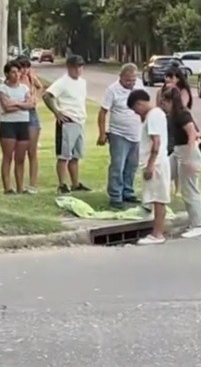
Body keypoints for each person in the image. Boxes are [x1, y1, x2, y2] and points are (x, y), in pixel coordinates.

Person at [161, 87, 201, 238]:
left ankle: (199, 225)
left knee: (190, 190)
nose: (163, 105)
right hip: (177, 152)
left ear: (171, 101)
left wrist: (188, 157)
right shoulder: (172, 115)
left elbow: (192, 134)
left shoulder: (182, 114)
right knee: (164, 174)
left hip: (188, 152)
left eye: (165, 102)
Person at [98, 63, 145, 209]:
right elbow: (102, 112)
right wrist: (102, 133)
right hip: (118, 133)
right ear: (120, 77)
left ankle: (128, 192)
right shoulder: (112, 90)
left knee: (132, 165)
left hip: (135, 133)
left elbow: (144, 105)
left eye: (133, 80)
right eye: (127, 80)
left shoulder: (139, 85)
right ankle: (115, 195)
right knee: (117, 165)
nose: (131, 83)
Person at [42, 55, 91, 194]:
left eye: (80, 66)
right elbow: (47, 96)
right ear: (69, 67)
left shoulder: (82, 82)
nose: (78, 69)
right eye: (75, 66)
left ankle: (75, 183)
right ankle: (62, 184)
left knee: (76, 156)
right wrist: (57, 112)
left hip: (80, 120)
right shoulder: (62, 82)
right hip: (67, 121)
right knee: (64, 156)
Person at [127, 89, 171, 245]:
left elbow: (156, 142)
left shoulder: (153, 116)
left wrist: (150, 165)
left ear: (139, 103)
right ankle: (157, 231)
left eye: (135, 110)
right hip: (157, 162)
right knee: (156, 198)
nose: (137, 114)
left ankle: (157, 234)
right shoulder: (156, 115)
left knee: (159, 199)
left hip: (156, 164)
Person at [0, 60, 35, 194]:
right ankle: (8, 187)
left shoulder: (24, 88)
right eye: (13, 72)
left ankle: (20, 187)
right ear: (7, 74)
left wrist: (15, 103)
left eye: (18, 72)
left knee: (20, 158)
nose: (16, 74)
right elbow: (6, 107)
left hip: (23, 123)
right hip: (8, 124)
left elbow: (31, 105)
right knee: (8, 156)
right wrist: (22, 104)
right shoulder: (3, 89)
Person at [159, 64, 193, 193]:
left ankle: (177, 189)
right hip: (168, 125)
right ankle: (167, 189)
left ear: (178, 78)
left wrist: (190, 155)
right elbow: (159, 106)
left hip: (179, 130)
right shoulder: (163, 91)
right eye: (166, 76)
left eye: (170, 77)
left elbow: (192, 132)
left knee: (180, 164)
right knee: (169, 160)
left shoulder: (182, 96)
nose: (167, 79)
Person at [18, 56, 43, 193]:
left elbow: (40, 87)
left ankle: (33, 185)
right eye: (22, 67)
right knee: (19, 152)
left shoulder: (31, 77)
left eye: (27, 67)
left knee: (32, 152)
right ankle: (19, 185)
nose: (25, 70)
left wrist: (35, 98)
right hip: (18, 116)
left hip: (31, 115)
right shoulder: (15, 79)